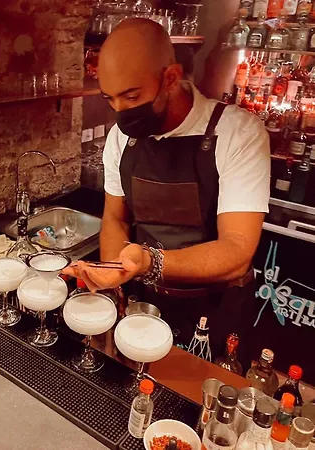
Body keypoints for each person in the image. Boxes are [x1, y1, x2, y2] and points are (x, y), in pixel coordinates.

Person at [64, 18, 270, 364]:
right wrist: (114, 278)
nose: (120, 112)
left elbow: (237, 251)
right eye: (110, 99)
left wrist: (148, 261)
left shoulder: (239, 133)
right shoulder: (120, 139)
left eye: (132, 96)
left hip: (214, 309)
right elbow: (116, 219)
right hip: (143, 302)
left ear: (171, 78)